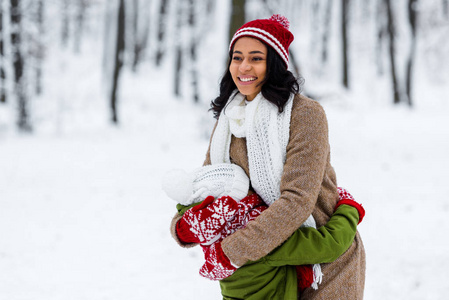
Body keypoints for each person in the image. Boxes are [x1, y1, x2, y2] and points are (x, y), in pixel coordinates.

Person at [170, 14, 366, 299]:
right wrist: (183, 227)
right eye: (237, 57)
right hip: (261, 268)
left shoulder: (305, 114)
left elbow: (297, 200)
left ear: (273, 65)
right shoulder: (228, 119)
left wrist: (232, 251)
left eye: (256, 58)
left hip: (320, 259)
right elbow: (205, 185)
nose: (244, 67)